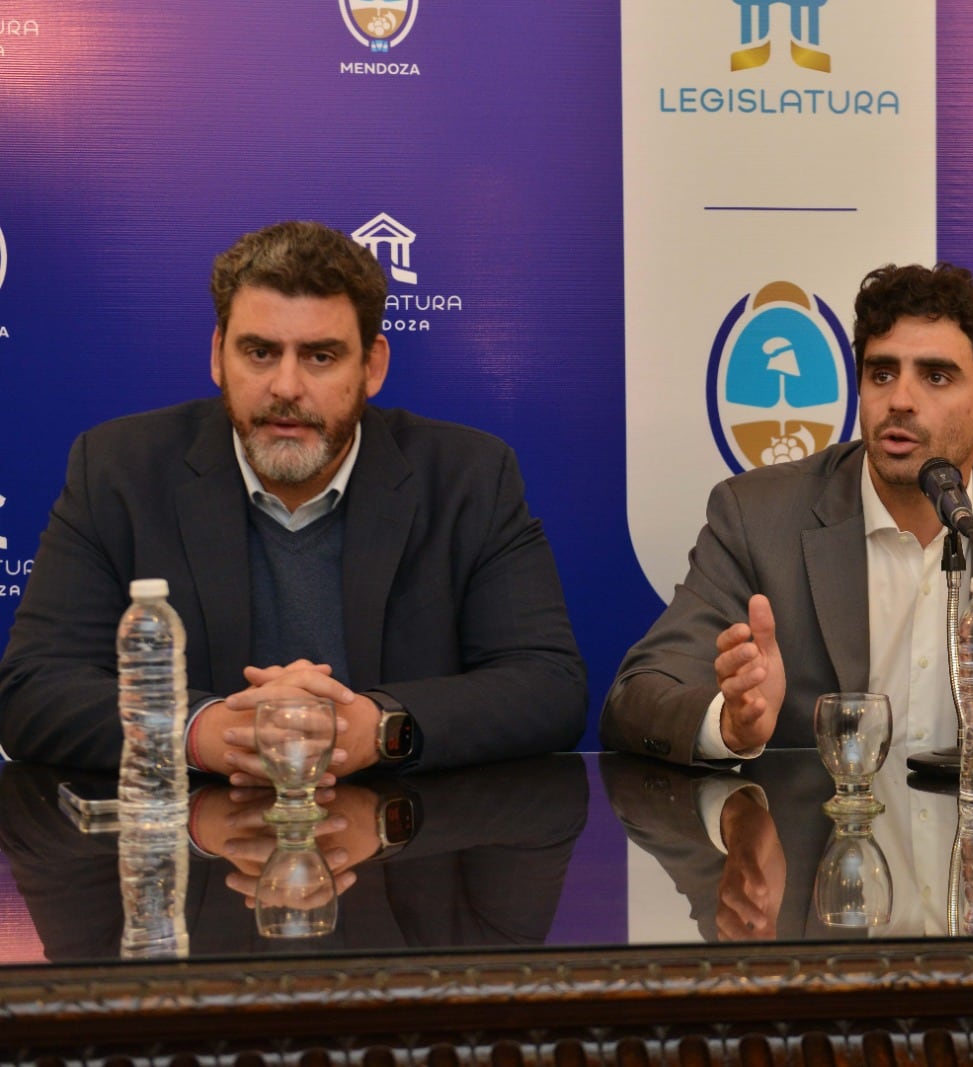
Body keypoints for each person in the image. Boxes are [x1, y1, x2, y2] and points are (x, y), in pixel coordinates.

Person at [0, 220, 586, 777]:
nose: (285, 387)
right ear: (217, 355)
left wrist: (378, 727)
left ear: (372, 366)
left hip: (404, 856)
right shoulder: (119, 470)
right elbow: (32, 691)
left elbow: (548, 686)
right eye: (259, 353)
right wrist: (207, 733)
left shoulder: (468, 477)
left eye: (320, 356)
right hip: (197, 859)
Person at [601, 262, 973, 764]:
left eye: (936, 376)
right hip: (821, 882)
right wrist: (729, 726)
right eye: (881, 372)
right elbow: (636, 697)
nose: (900, 400)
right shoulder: (759, 515)